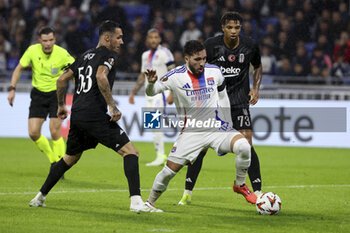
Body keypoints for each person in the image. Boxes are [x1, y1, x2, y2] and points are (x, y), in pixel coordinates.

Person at [29, 20, 156, 213]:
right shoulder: (109, 55)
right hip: (94, 115)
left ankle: (39, 197)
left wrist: (62, 105)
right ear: (107, 38)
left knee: (69, 158)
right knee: (131, 152)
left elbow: (62, 79)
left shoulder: (84, 56)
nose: (122, 42)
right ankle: (137, 203)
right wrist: (113, 107)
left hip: (78, 114)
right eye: (119, 37)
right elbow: (100, 76)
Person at [143, 40, 256, 212]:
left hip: (216, 127)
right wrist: (151, 83)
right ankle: (149, 203)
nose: (202, 63)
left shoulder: (215, 71)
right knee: (168, 172)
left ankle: (239, 184)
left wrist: (227, 122)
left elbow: (223, 95)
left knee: (244, 146)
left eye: (204, 58)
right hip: (192, 132)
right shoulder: (175, 76)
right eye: (197, 59)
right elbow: (151, 92)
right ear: (187, 59)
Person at [178, 12, 263, 205]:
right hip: (213, 102)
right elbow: (197, 67)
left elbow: (257, 66)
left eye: (237, 28)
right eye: (230, 27)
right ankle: (187, 192)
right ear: (223, 28)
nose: (234, 31)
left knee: (247, 144)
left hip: (240, 101)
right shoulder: (211, 45)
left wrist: (256, 89)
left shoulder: (250, 45)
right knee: (201, 147)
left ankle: (258, 191)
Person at [7, 27, 74, 170]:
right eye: (45, 41)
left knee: (54, 130)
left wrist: (78, 90)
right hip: (38, 94)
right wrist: (12, 89)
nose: (48, 43)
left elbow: (76, 70)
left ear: (55, 40)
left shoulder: (62, 54)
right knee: (33, 133)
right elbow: (19, 68)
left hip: (57, 94)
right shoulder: (32, 50)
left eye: (51, 40)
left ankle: (60, 167)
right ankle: (53, 160)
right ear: (39, 41)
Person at [128, 28, 175, 166]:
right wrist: (133, 92)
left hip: (161, 92)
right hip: (149, 94)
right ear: (147, 40)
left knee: (156, 124)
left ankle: (161, 155)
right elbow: (142, 76)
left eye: (156, 37)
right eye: (151, 37)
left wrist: (172, 92)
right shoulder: (145, 55)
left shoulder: (165, 53)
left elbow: (173, 72)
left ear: (160, 39)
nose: (153, 40)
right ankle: (160, 154)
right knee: (153, 125)